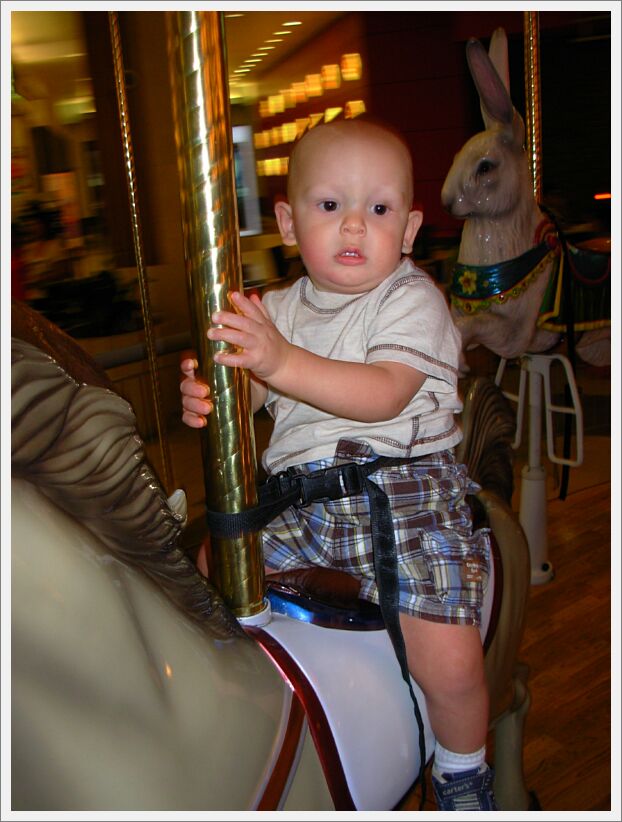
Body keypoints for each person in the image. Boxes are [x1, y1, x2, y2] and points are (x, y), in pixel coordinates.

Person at [180, 118, 496, 811]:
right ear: (290, 223)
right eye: (331, 206)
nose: (355, 226)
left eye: (378, 209)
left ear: (409, 230)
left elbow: (384, 393)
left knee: (449, 655)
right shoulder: (279, 309)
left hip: (400, 491)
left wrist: (281, 361)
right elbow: (254, 387)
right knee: (203, 575)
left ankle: (463, 771)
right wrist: (216, 394)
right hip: (297, 498)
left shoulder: (411, 300)